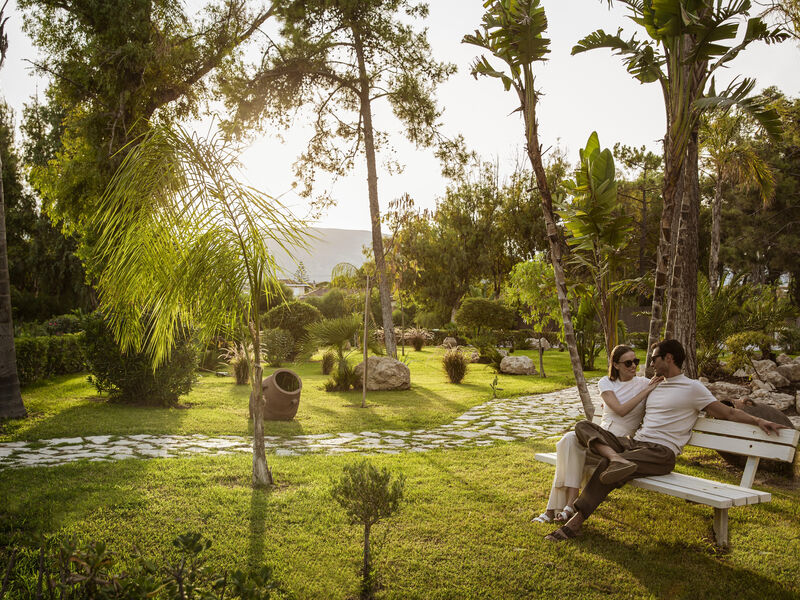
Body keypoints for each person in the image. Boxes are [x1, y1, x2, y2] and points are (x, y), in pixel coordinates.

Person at [545, 339, 790, 542]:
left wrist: (758, 420)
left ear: (669, 358)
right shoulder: (656, 385)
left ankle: (575, 521)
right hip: (635, 444)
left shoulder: (692, 388)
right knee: (582, 426)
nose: (650, 362)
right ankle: (616, 458)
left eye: (654, 358)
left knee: (611, 467)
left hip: (661, 453)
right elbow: (624, 400)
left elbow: (725, 412)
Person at [533, 345, 663, 523]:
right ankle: (568, 504)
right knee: (568, 440)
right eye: (628, 363)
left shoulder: (644, 383)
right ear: (616, 365)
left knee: (569, 444)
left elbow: (668, 383)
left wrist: (647, 389)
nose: (633, 366)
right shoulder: (606, 382)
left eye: (636, 361)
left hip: (619, 443)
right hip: (598, 438)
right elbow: (619, 409)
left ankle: (556, 509)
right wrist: (646, 392)